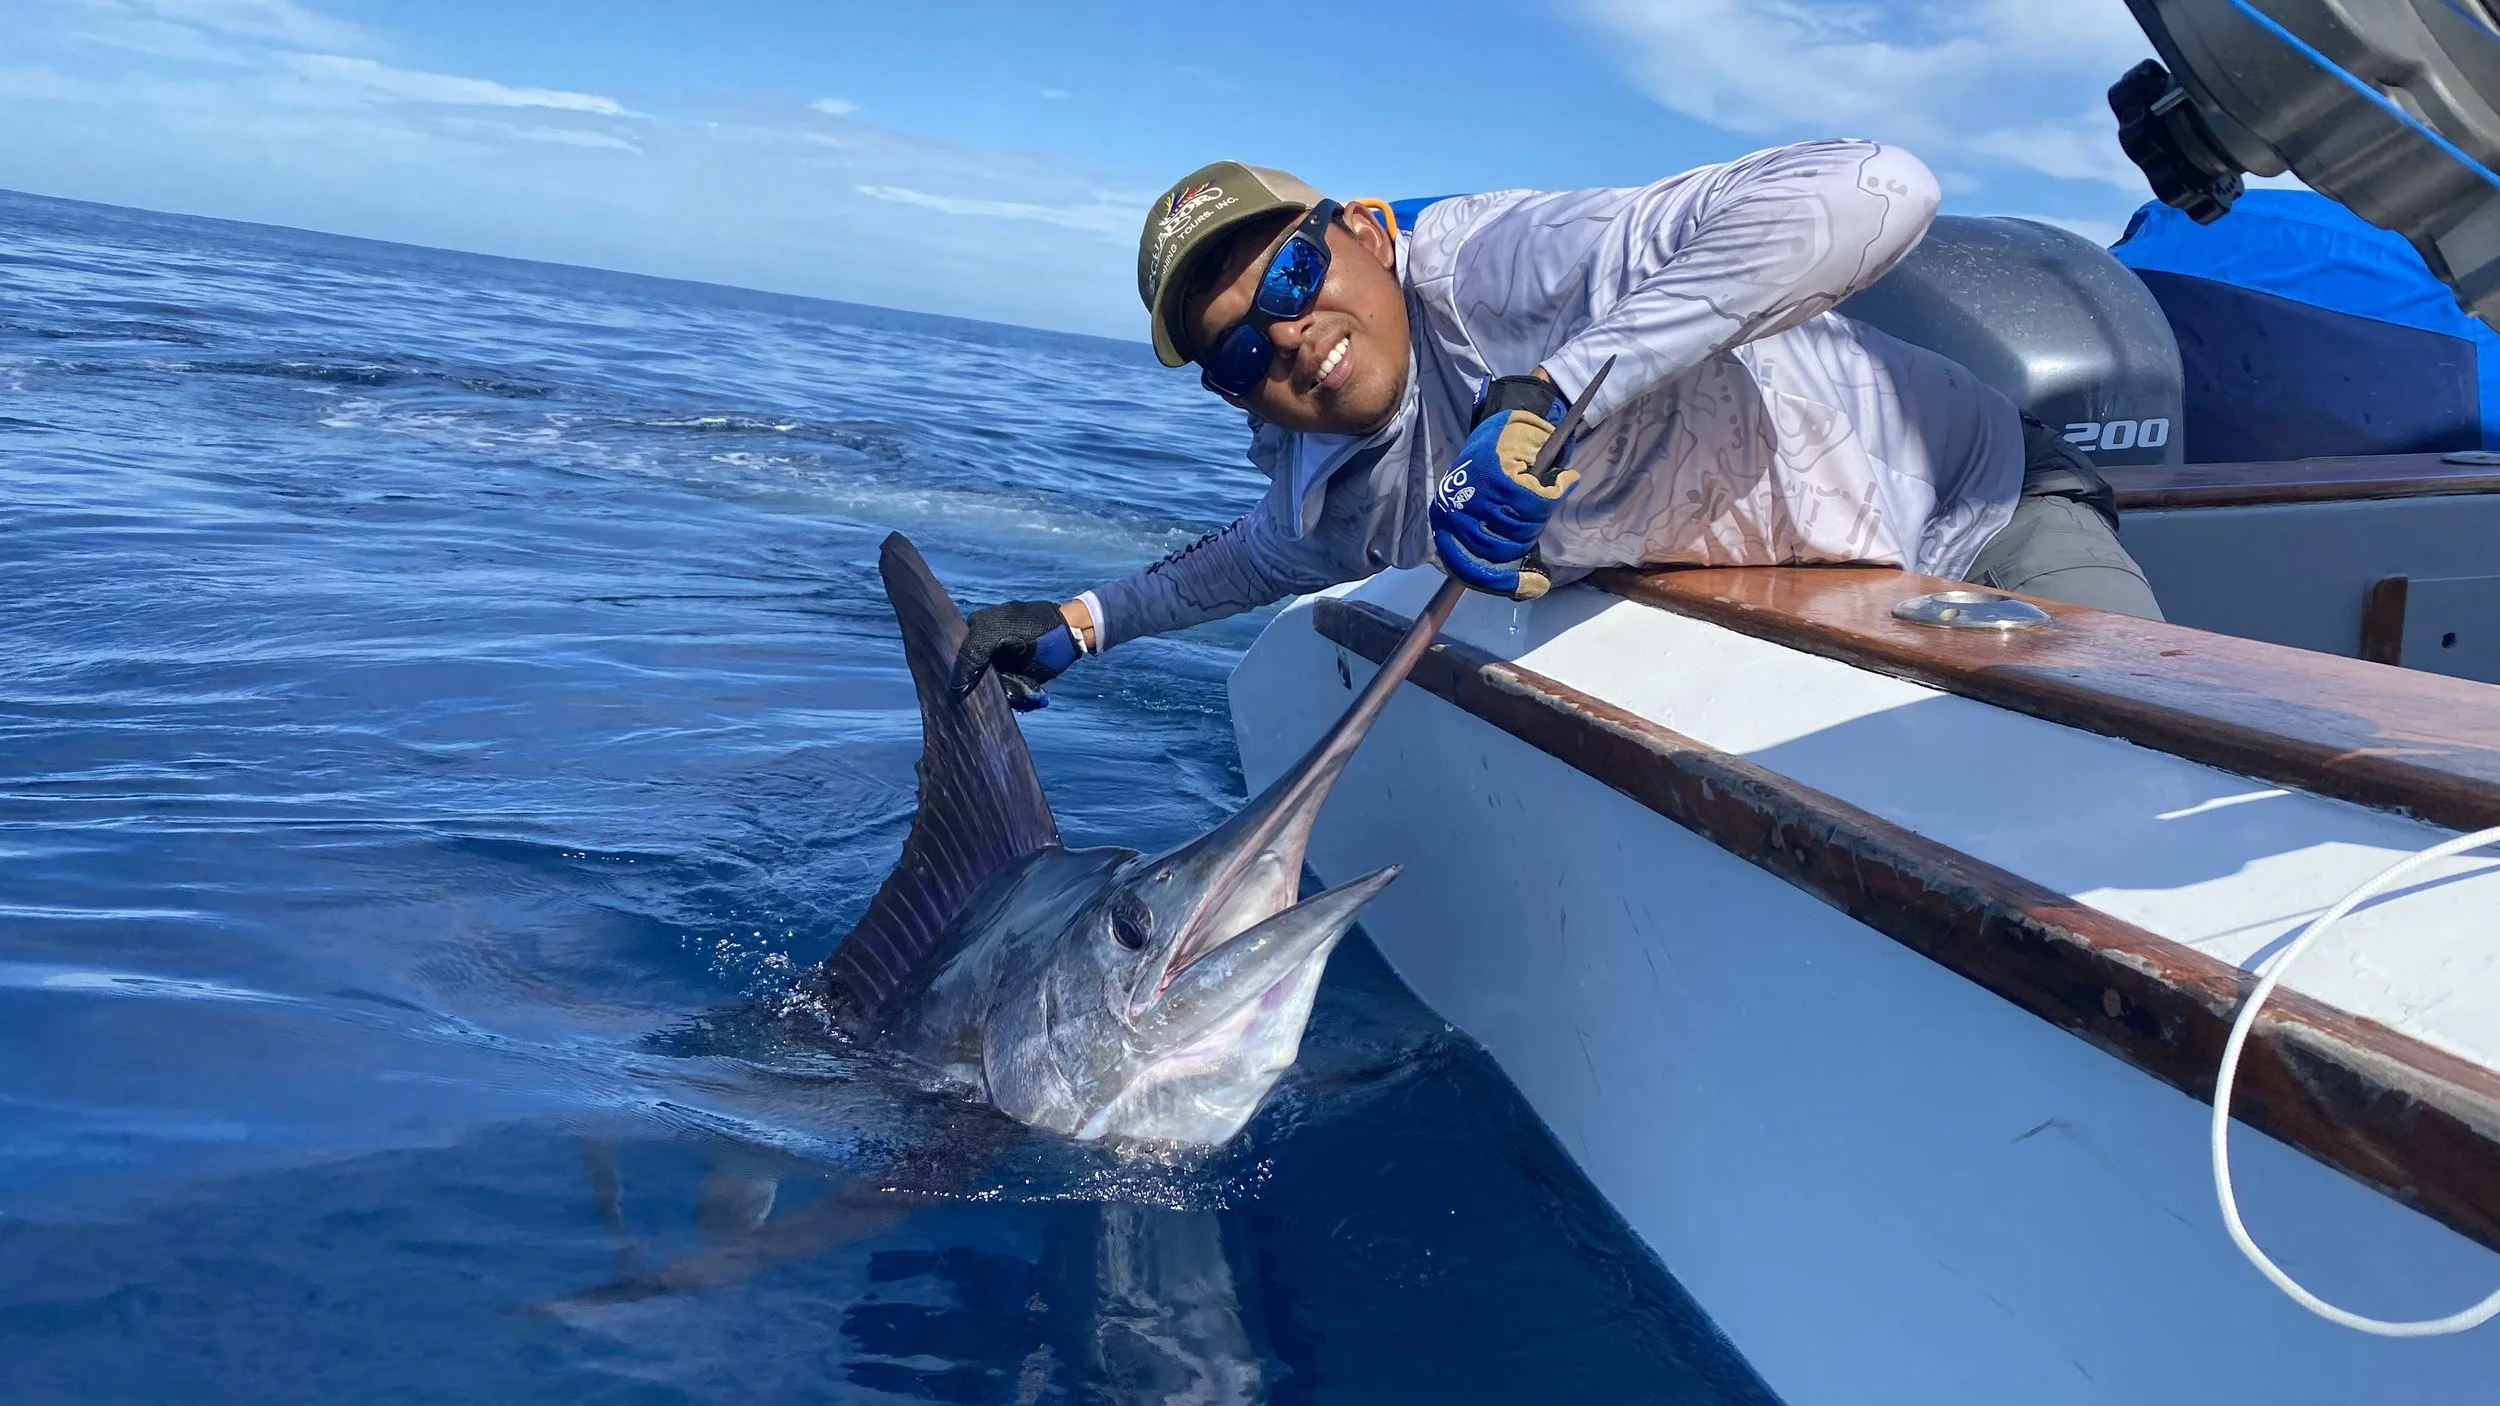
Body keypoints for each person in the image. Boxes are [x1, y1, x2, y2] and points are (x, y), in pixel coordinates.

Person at [950, 142, 2163, 709]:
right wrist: (1080, 625)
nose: (1286, 335)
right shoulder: (1339, 478)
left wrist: (1546, 394)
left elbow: (1880, 188)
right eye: (1235, 351)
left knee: (2137, 745)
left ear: (1364, 231)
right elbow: (1262, 555)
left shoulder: (1506, 266)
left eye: (1288, 276)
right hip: (1811, 595)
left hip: (1980, 506)